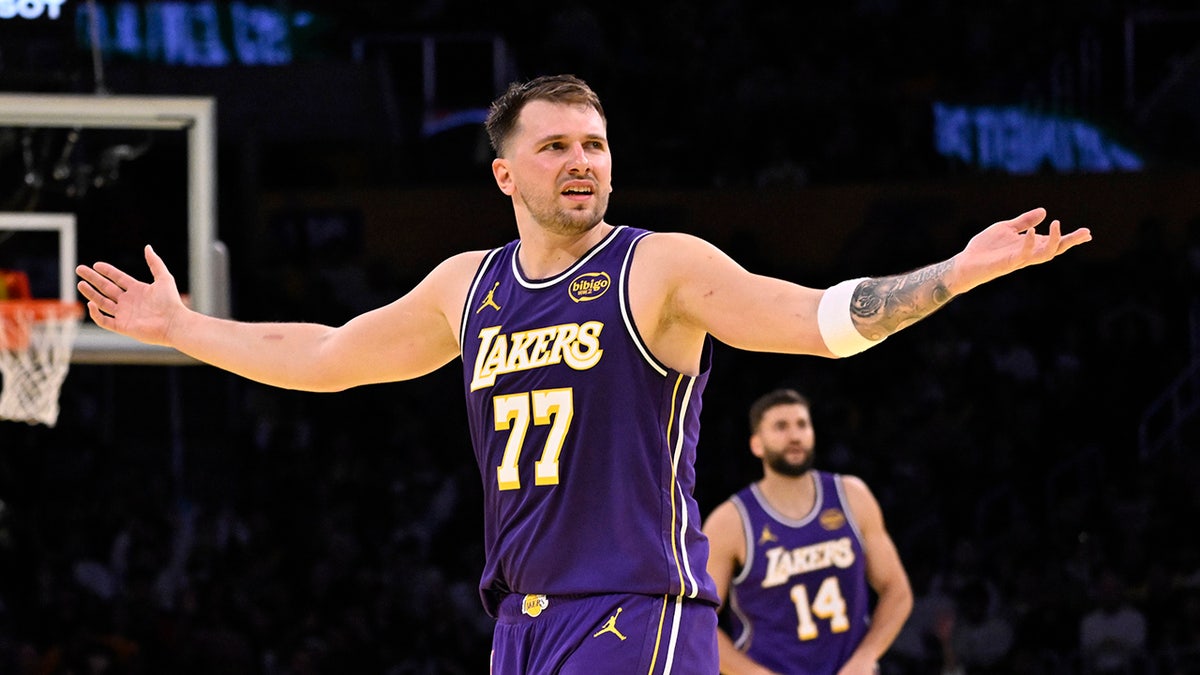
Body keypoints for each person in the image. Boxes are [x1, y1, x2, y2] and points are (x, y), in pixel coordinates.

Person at [75, 74, 1092, 674]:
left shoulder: (661, 269)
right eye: (555, 144)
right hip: (520, 621)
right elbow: (331, 356)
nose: (582, 161)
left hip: (636, 610)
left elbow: (820, 322)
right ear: (504, 174)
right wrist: (185, 328)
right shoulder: (464, 286)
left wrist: (955, 273)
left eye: (596, 144)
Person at [702, 388, 913, 674]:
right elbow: (699, 620)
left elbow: (897, 591)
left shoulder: (851, 496)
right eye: (780, 426)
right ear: (756, 445)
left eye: (802, 424)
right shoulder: (731, 521)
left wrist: (867, 656)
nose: (794, 435)